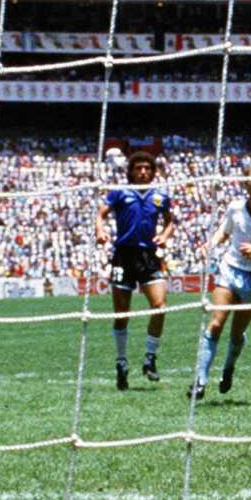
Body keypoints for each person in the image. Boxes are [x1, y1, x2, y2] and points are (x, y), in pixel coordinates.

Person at [96, 150, 174, 391]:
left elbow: (170, 221)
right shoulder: (119, 192)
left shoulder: (160, 196)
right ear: (130, 171)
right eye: (138, 168)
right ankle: (121, 362)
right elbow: (100, 214)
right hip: (124, 256)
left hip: (148, 256)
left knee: (160, 306)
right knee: (122, 315)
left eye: (147, 169)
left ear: (153, 172)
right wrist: (100, 230)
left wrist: (164, 234)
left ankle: (150, 359)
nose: (143, 172)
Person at [192, 162, 251, 399]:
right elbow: (224, 232)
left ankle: (228, 369)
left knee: (237, 333)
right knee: (216, 323)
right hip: (230, 269)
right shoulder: (235, 207)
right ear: (245, 182)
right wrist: (210, 244)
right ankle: (200, 381)